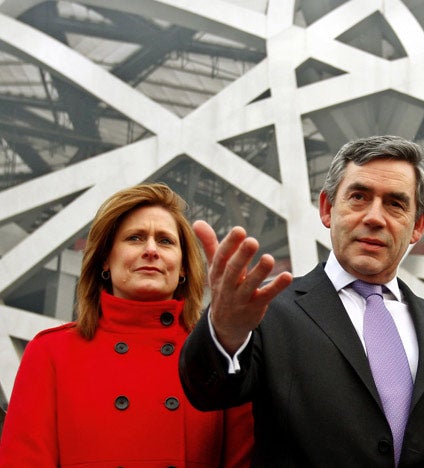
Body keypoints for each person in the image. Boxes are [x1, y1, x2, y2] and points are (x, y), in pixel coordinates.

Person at [179, 135, 424, 467]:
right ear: (328, 208)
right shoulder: (268, 313)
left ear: (417, 225)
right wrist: (224, 330)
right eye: (358, 197)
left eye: (395, 203)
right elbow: (208, 391)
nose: (375, 217)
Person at [0, 183, 254, 467]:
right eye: (134, 238)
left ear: (183, 267)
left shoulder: (218, 355)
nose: (151, 250)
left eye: (166, 241)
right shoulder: (50, 353)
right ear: (105, 260)